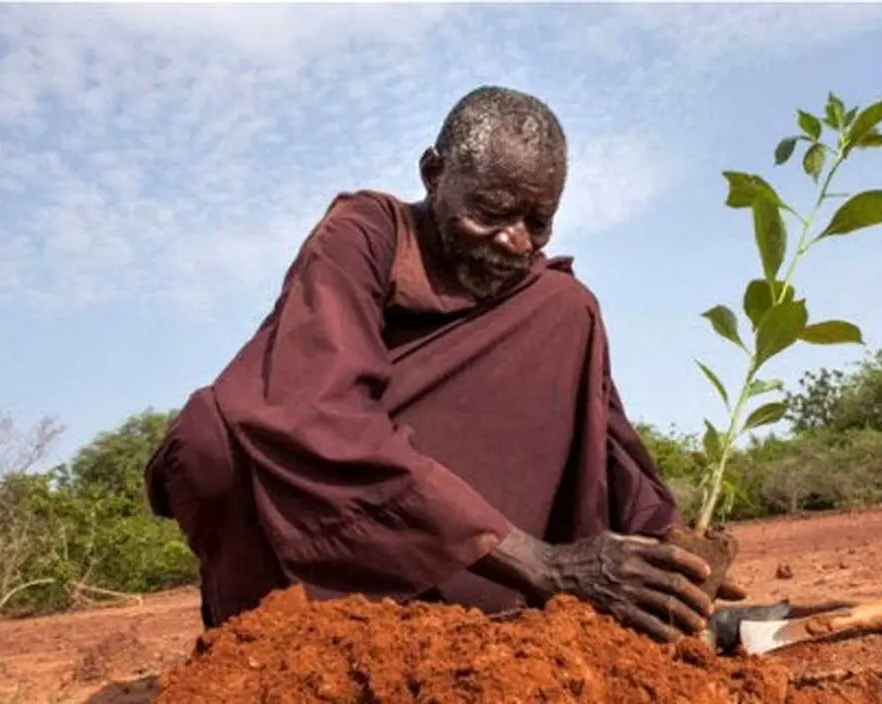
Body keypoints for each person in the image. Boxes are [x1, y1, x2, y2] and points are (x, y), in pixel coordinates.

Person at [144, 85, 747, 645]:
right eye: (490, 211)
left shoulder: (550, 306)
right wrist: (541, 563)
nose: (514, 241)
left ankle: (504, 617)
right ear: (434, 175)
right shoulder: (363, 237)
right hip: (327, 544)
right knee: (212, 437)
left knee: (567, 308)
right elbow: (316, 410)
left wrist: (671, 553)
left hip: (463, 571)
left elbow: (607, 437)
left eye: (537, 222)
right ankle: (266, 638)